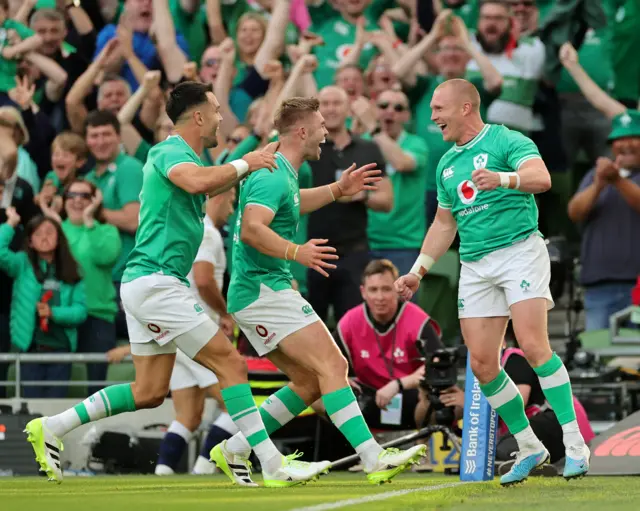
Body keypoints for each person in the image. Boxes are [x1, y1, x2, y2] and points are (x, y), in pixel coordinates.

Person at [24, 82, 330, 487]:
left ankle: (53, 426)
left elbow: (213, 182)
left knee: (149, 391)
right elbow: (201, 182)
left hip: (147, 283)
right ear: (199, 116)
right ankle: (271, 463)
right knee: (232, 363)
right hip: (155, 283)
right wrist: (246, 163)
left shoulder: (190, 158)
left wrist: (252, 159)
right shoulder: (168, 151)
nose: (222, 117)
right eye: (218, 110)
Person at [211, 97, 426, 487]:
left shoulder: (284, 170)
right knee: (334, 366)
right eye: (321, 125)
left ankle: (236, 449)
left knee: (310, 383)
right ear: (302, 131)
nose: (327, 132)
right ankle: (373, 457)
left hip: (260, 291)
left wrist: (338, 189)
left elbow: (291, 203)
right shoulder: (273, 172)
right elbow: (251, 230)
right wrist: (297, 252)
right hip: (263, 291)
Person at [394, 79, 589, 485]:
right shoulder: (447, 163)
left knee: (534, 346)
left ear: (466, 107)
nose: (432, 117)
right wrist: (418, 270)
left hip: (519, 250)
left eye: (438, 108)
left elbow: (541, 178)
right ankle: (530, 446)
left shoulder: (506, 140)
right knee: (483, 364)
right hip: (476, 264)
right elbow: (444, 223)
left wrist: (503, 179)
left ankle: (574, 443)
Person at [335, 259, 443, 432]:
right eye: (373, 290)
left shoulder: (418, 320)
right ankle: (350, 449)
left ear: (396, 290)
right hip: (369, 399)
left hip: (411, 399)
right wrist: (339, 378)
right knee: (323, 394)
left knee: (431, 395)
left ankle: (423, 451)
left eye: (386, 289)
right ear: (363, 292)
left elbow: (438, 364)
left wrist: (399, 384)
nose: (380, 297)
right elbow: (326, 363)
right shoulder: (349, 322)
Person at [0, 211, 86, 398]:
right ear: (30, 241)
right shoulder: (22, 263)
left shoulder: (73, 268)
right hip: (30, 347)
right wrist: (10, 223)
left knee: (55, 411)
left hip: (60, 349)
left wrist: (53, 313)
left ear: (59, 237)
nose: (44, 237)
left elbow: (81, 311)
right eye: (38, 234)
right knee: (30, 410)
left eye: (49, 232)